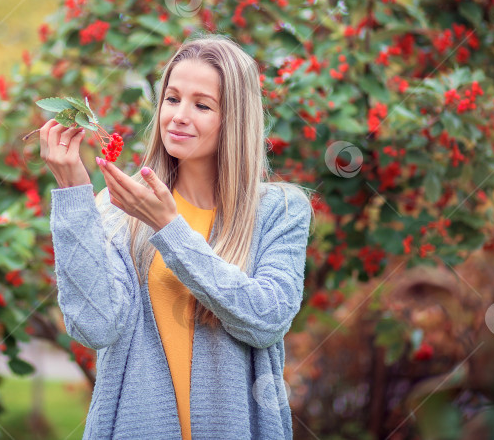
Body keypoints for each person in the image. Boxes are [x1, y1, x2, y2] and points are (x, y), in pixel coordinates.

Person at [39, 33, 313, 439]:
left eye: (202, 105)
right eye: (172, 99)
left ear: (233, 119)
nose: (179, 116)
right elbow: (95, 328)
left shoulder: (280, 210)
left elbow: (266, 319)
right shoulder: (121, 207)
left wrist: (170, 230)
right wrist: (73, 195)